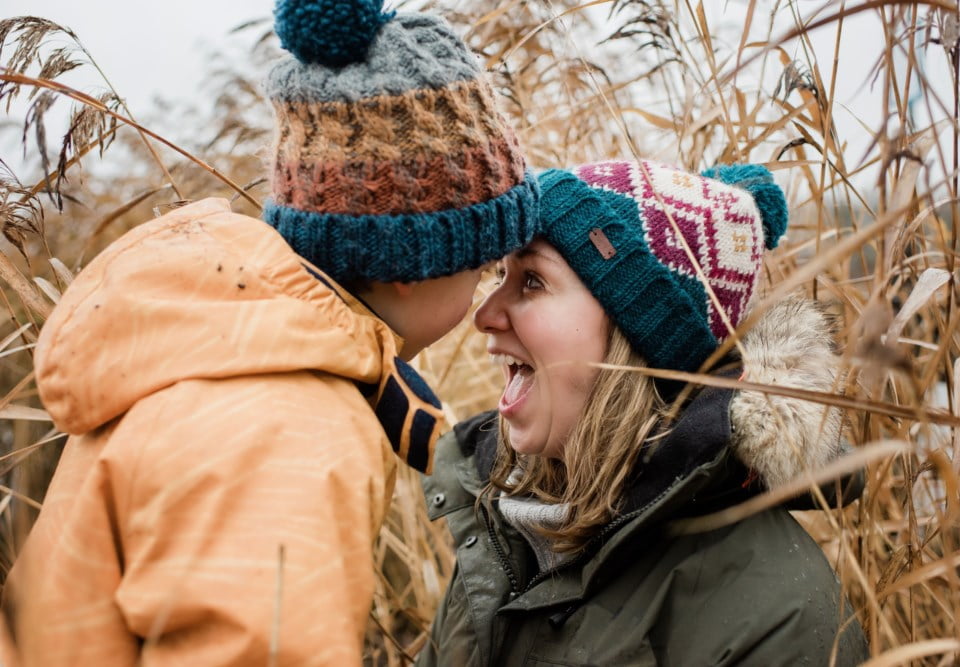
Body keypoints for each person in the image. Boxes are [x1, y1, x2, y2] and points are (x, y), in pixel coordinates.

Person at [0, 0, 539, 664]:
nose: (487, 304)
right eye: (485, 266)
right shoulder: (291, 426)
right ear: (412, 262)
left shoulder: (220, 353)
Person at [418, 160, 869, 665]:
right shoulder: (501, 521)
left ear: (639, 337)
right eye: (500, 274)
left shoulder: (782, 619)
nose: (484, 315)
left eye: (532, 282)